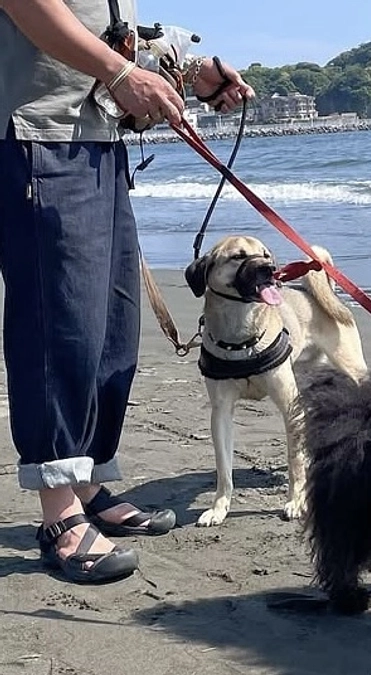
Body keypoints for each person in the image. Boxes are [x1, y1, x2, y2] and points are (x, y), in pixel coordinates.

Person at [0, 0, 255, 583]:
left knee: (112, 326)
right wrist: (120, 75)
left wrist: (184, 71)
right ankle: (58, 510)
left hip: (97, 133)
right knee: (60, 322)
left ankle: (86, 483)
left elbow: (100, 23)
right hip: (39, 131)